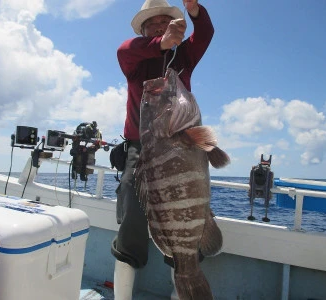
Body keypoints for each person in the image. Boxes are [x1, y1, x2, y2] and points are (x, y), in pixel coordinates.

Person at [111, 0, 214, 298]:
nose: (159, 25)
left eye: (164, 21)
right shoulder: (135, 61)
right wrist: (160, 42)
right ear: (144, 30)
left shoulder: (184, 55)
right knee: (132, 211)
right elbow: (124, 49)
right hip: (140, 150)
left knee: (191, 212)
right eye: (152, 24)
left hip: (183, 147)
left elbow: (205, 32)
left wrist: (194, 10)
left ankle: (182, 279)